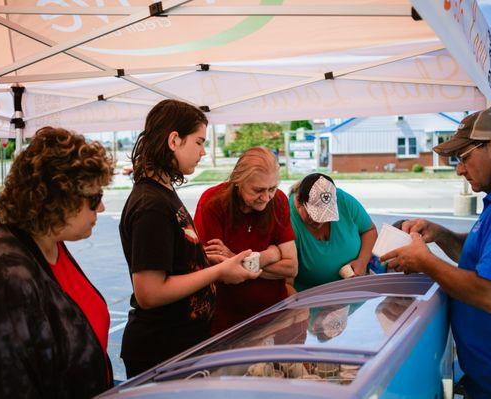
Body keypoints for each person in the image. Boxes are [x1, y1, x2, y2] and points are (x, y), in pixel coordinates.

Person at [0, 127, 114, 398]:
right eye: (95, 199)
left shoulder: (47, 240)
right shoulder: (6, 277)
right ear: (59, 199)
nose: (101, 208)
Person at [380, 107, 491, 398]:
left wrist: (425, 262)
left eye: (464, 158)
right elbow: (487, 256)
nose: (459, 169)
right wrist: (441, 235)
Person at [119, 99, 260, 378]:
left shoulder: (162, 192)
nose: (203, 151)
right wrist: (218, 271)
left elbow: (171, 259)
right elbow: (150, 292)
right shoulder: (151, 205)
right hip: (161, 351)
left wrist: (206, 261)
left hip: (181, 346)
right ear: (174, 140)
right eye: (198, 142)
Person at [194, 147, 298, 334]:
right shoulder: (213, 203)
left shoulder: (279, 200)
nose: (266, 197)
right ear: (238, 181)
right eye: (258, 190)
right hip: (227, 320)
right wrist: (271, 254)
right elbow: (216, 273)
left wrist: (235, 257)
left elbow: (291, 268)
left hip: (274, 313)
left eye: (272, 189)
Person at [289, 173, 378, 291]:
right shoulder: (288, 218)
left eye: (326, 215)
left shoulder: (342, 199)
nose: (319, 223)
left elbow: (369, 230)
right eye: (314, 216)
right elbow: (286, 278)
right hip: (310, 298)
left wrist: (362, 261)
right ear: (299, 202)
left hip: (352, 291)